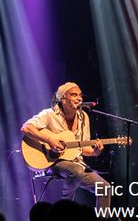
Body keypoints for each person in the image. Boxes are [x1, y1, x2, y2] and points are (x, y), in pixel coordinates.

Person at [21, 81, 111, 209]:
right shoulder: (49, 114)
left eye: (80, 95)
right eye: (74, 95)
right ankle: (63, 210)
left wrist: (96, 152)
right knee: (76, 170)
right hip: (52, 163)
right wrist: (49, 140)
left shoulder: (84, 117)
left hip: (76, 163)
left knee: (105, 188)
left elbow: (82, 148)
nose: (79, 98)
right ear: (63, 99)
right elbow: (26, 128)